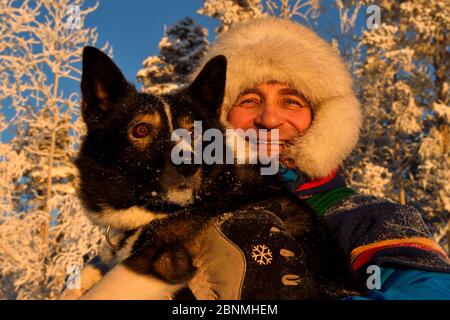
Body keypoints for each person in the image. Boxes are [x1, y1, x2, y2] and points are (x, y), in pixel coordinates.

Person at [188, 16, 450, 300]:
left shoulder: (367, 219)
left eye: (291, 102)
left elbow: (431, 291)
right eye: (248, 101)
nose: (269, 119)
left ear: (323, 119)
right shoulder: (170, 214)